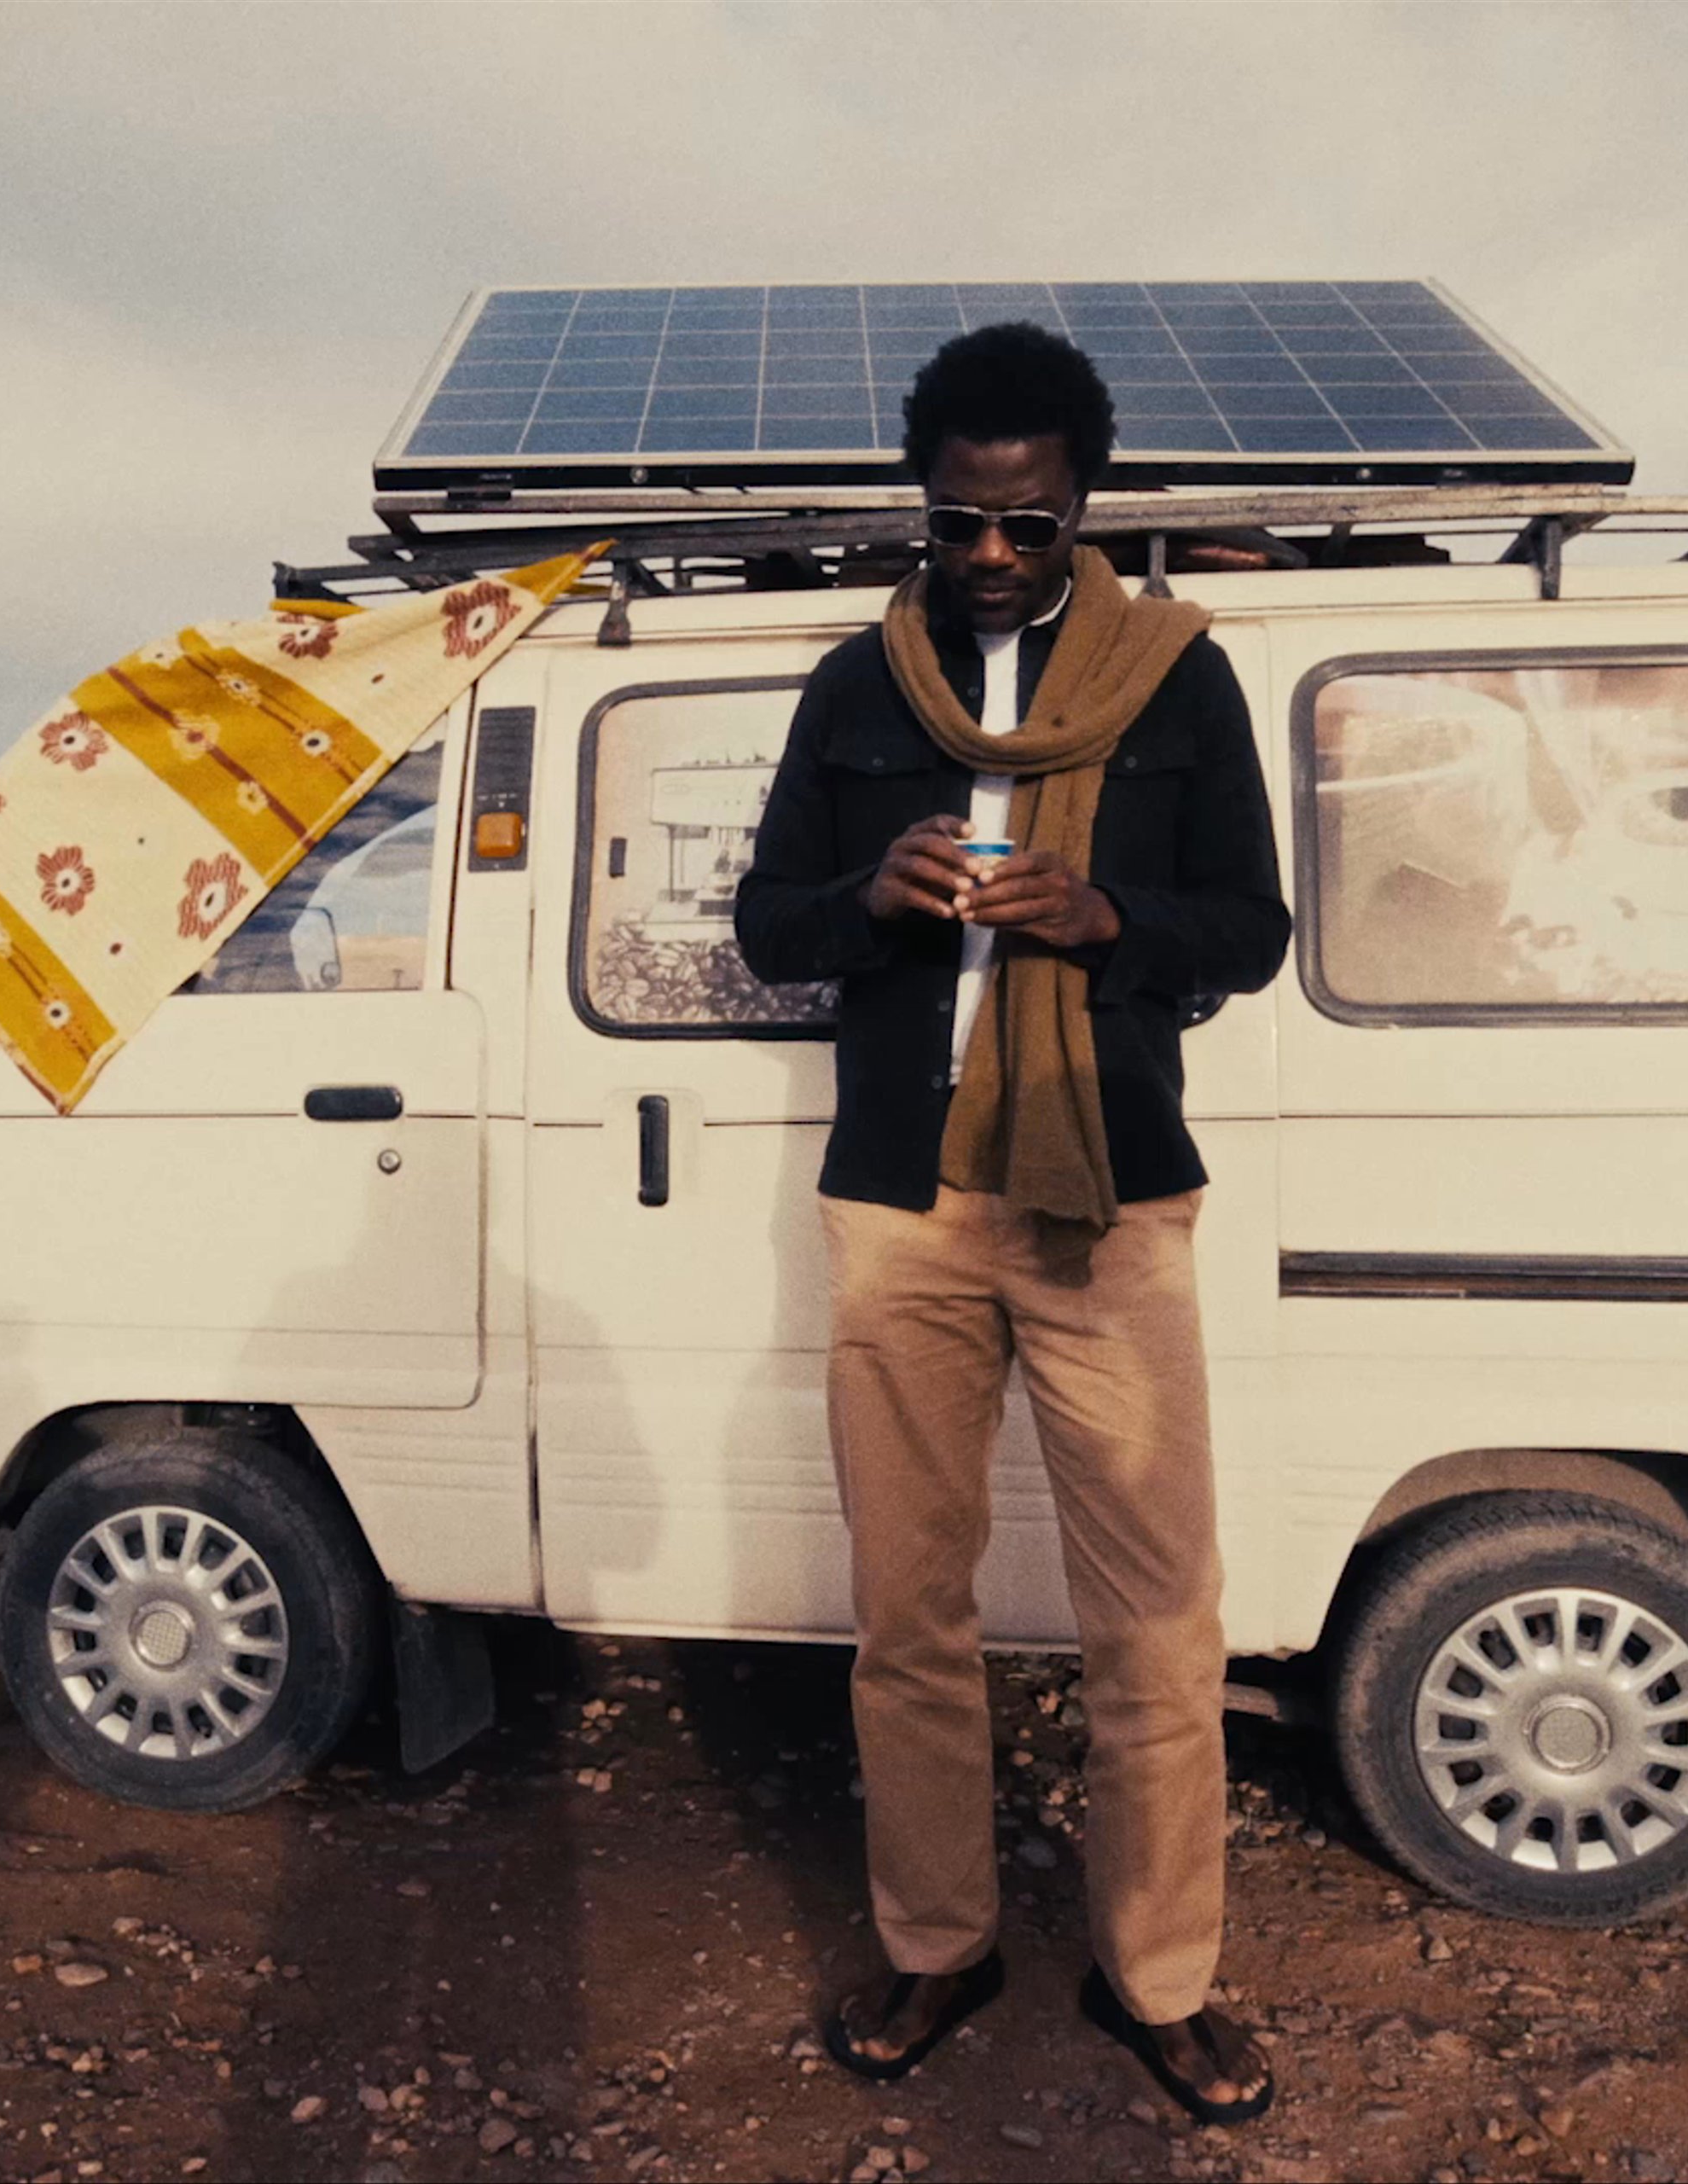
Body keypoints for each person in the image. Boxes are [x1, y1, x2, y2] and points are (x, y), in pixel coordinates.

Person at [733, 322, 1291, 2124]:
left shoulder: (1174, 678)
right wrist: (865, 893)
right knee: (907, 1610)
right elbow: (765, 925)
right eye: (958, 520)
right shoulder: (856, 685)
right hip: (901, 1207)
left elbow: (1251, 928)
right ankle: (937, 1941)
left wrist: (1106, 916)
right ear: (923, 503)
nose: (988, 554)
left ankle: (1161, 1976)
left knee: (1158, 1618)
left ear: (1080, 508)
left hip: (1102, 1202)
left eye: (1027, 523)